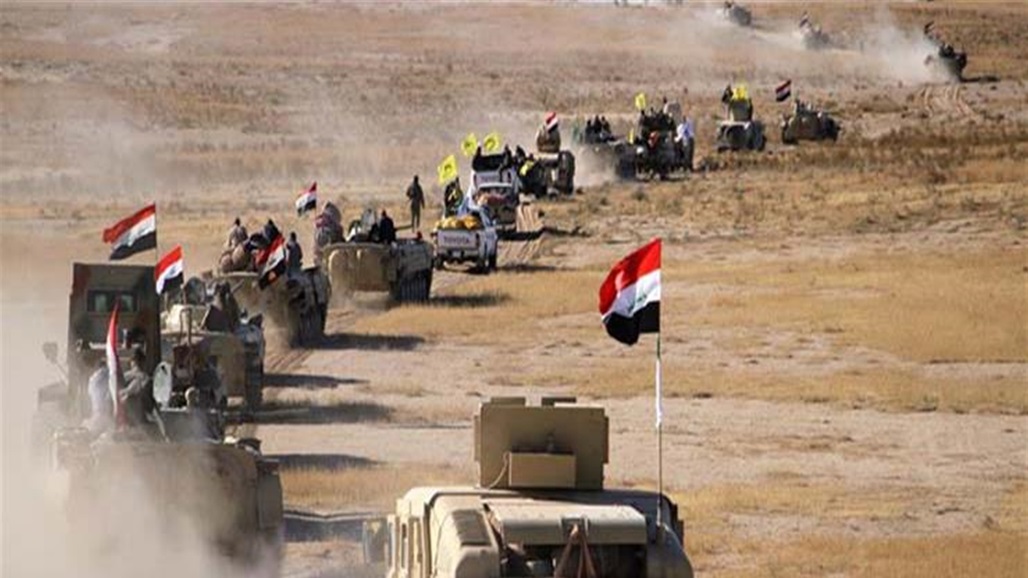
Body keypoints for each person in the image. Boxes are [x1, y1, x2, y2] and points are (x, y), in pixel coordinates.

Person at [120, 347, 152, 427]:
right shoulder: (144, 377)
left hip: (132, 416)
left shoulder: (127, 376)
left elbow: (129, 391)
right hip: (137, 416)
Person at [85, 358, 112, 433]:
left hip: (96, 408)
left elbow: (89, 393)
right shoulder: (107, 373)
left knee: (95, 427)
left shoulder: (92, 378)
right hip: (105, 408)